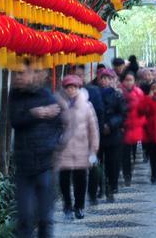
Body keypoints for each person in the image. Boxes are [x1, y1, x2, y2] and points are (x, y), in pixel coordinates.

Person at [9, 60, 63, 238]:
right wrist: (35, 113)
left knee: (45, 218)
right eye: (16, 73)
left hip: (44, 165)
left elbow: (58, 125)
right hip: (24, 166)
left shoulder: (47, 96)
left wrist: (53, 148)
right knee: (24, 216)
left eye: (21, 73)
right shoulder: (14, 96)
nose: (18, 77)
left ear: (34, 75)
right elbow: (15, 121)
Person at [54, 75, 98, 221]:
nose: (71, 90)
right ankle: (67, 205)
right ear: (64, 89)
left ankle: (79, 206)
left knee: (80, 179)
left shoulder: (87, 106)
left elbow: (93, 129)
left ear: (79, 88)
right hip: (64, 148)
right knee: (64, 180)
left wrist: (93, 150)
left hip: (81, 148)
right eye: (68, 88)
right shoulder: (58, 105)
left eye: (74, 87)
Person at [73, 64, 104, 205]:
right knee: (78, 171)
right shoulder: (65, 94)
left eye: (80, 75)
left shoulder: (93, 91)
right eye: (75, 76)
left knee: (93, 165)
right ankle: (78, 202)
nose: (78, 79)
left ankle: (94, 191)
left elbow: (99, 115)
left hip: (90, 137)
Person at [97, 68, 126, 202]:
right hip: (97, 135)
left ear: (112, 80)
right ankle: (99, 186)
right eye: (102, 78)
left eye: (107, 78)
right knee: (97, 163)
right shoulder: (95, 94)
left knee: (112, 163)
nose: (104, 81)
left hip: (113, 134)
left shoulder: (117, 95)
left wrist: (110, 124)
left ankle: (111, 185)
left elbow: (122, 115)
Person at [120, 72, 145, 185]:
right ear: (123, 81)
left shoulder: (139, 93)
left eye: (131, 80)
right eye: (127, 80)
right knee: (125, 154)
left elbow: (143, 110)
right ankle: (127, 176)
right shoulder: (119, 93)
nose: (129, 82)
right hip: (122, 127)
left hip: (134, 126)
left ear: (134, 81)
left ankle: (129, 171)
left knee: (132, 150)